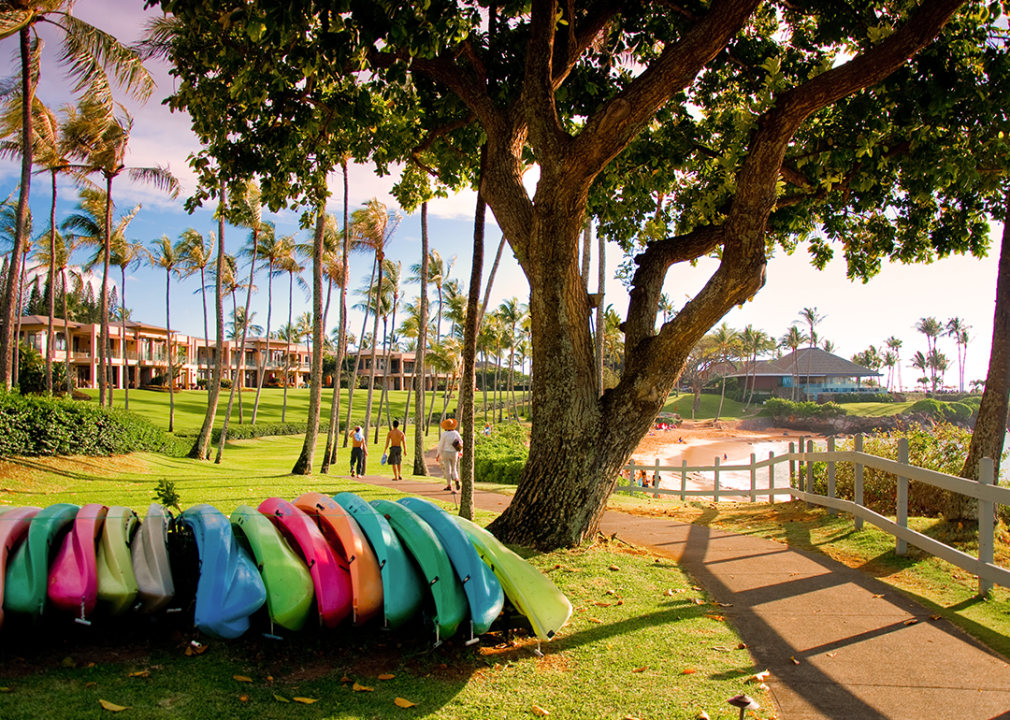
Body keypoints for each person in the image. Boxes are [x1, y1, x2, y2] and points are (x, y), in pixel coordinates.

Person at [436, 418, 463, 491]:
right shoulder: (456, 433)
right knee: (454, 468)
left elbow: (441, 445)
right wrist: (461, 452)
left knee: (447, 470)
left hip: (446, 452)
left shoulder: (444, 434)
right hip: (454, 453)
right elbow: (461, 442)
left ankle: (449, 485)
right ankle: (456, 478)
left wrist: (438, 454)